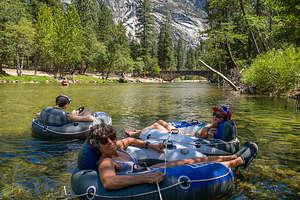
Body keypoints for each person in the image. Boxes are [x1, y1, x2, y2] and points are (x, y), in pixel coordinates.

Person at [78, 124, 258, 190]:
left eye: (112, 137)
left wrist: (151, 145)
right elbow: (109, 183)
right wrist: (146, 177)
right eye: (104, 141)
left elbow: (132, 140)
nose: (110, 142)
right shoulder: (106, 161)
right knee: (191, 165)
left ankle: (232, 156)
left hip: (149, 164)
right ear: (97, 145)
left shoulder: (117, 146)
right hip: (148, 171)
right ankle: (238, 161)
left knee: (196, 159)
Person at [125, 106, 232, 139]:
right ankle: (139, 131)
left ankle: (135, 134)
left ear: (223, 119)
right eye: (214, 114)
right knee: (161, 121)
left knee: (157, 126)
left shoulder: (215, 129)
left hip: (182, 137)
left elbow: (203, 135)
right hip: (180, 132)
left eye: (218, 116)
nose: (214, 116)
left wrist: (210, 125)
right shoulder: (215, 125)